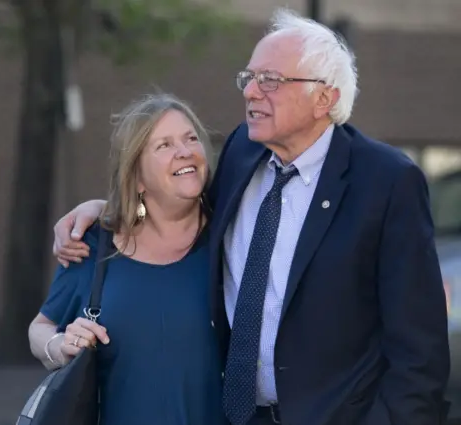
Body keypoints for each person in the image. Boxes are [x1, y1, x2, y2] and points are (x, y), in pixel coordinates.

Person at [50, 8, 451, 425]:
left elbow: (420, 350)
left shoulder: (387, 182)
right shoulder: (244, 150)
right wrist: (105, 209)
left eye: (271, 81)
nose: (252, 92)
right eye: (250, 78)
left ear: (325, 98)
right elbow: (182, 206)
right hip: (236, 416)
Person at [28, 93, 226, 425]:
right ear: (136, 177)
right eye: (163, 145)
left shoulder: (232, 239)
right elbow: (40, 327)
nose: (184, 151)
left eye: (191, 138)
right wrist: (61, 346)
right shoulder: (94, 245)